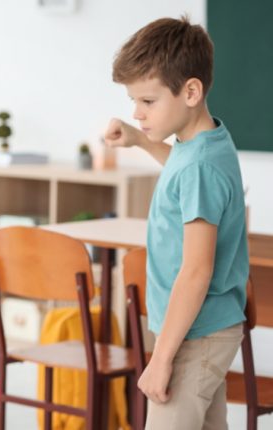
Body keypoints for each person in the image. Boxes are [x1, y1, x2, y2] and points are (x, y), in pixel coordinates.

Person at [105, 16, 248, 429]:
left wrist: (161, 358)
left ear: (190, 91)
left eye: (147, 102)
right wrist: (140, 139)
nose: (137, 111)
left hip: (193, 335)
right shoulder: (202, 143)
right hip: (204, 328)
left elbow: (196, 271)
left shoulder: (199, 166)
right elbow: (184, 176)